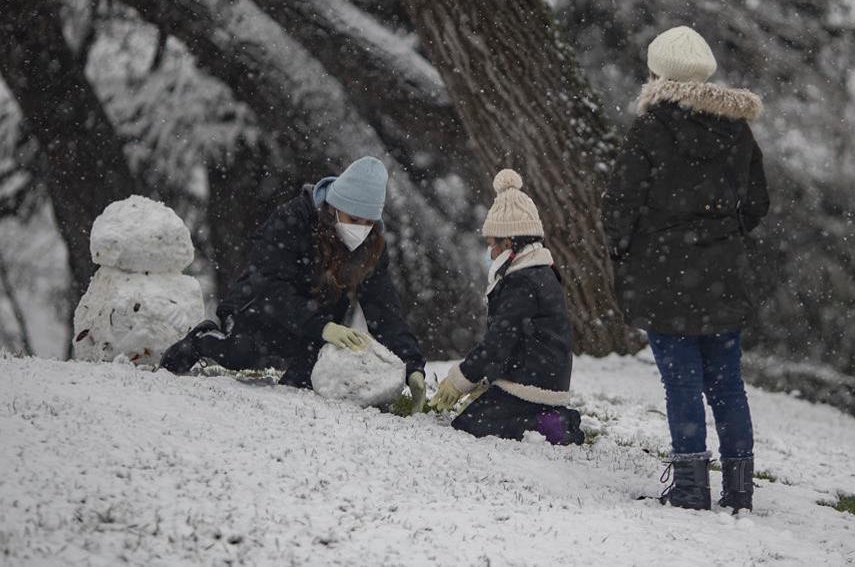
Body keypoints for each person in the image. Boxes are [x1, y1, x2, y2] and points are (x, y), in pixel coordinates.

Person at [601, 26, 769, 512]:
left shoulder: (651, 128)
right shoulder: (738, 130)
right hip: (722, 274)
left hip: (662, 273)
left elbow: (619, 204)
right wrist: (724, 237)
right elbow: (758, 202)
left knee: (681, 381)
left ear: (657, 72)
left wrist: (628, 248)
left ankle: (692, 485)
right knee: (727, 383)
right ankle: (739, 489)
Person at [160, 156, 427, 410]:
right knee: (241, 354)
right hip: (258, 309)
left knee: (306, 382)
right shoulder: (293, 219)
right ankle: (202, 340)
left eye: (369, 222)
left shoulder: (372, 244)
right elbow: (268, 287)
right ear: (334, 207)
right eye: (353, 219)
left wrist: (412, 365)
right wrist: (320, 326)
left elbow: (383, 307)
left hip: (321, 328)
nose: (361, 228)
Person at [428, 169, 584, 447]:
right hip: (540, 377)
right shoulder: (539, 271)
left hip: (530, 385)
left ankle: (552, 425)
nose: (490, 253)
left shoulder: (522, 281)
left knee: (470, 425)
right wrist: (487, 378)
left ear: (510, 242)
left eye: (492, 245)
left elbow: (499, 340)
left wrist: (461, 379)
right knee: (478, 416)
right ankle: (548, 416)